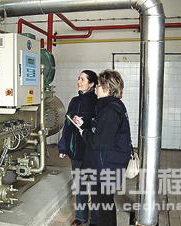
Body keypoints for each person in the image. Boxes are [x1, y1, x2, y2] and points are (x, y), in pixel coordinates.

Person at [74, 69, 132, 226]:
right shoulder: (111, 106)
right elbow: (103, 131)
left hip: (106, 167)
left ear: (107, 88)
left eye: (98, 85)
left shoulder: (110, 110)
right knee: (104, 204)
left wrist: (82, 132)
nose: (96, 88)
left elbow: (99, 142)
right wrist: (85, 125)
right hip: (108, 165)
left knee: (102, 206)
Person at [58, 70, 98, 226]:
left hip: (91, 150)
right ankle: (81, 218)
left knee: (94, 187)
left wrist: (85, 121)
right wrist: (63, 147)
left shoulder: (96, 101)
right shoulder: (74, 101)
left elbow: (98, 125)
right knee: (79, 185)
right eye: (78, 78)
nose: (78, 81)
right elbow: (67, 126)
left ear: (91, 84)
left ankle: (95, 219)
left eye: (82, 79)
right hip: (76, 151)